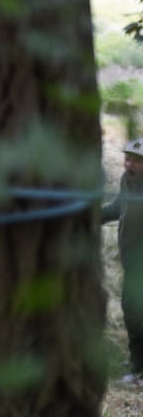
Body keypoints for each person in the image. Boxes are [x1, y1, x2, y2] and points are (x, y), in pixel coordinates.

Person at [102, 137, 143, 383]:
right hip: (131, 262)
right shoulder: (127, 181)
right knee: (131, 312)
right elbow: (118, 207)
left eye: (137, 162)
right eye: (128, 159)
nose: (129, 165)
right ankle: (136, 362)